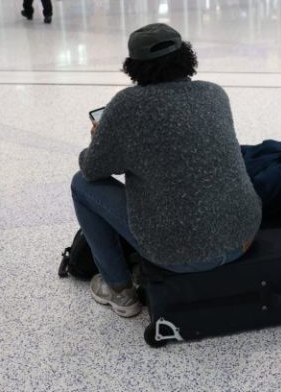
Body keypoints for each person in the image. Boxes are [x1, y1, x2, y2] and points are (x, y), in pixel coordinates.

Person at [72, 23, 261, 317]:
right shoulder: (214, 93)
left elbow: (94, 169)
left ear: (134, 67)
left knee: (81, 184)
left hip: (181, 255)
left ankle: (120, 290)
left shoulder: (126, 105)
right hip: (245, 236)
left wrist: (99, 140)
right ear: (186, 55)